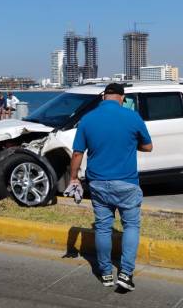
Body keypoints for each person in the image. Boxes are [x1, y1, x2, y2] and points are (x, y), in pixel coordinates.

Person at [68, 83, 153, 290]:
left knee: (103, 228)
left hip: (97, 183)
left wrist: (73, 178)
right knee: (131, 226)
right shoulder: (132, 117)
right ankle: (125, 273)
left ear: (103, 96)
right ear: (122, 98)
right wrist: (132, 143)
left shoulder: (88, 119)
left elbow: (78, 153)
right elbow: (148, 146)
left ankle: (105, 273)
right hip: (127, 183)